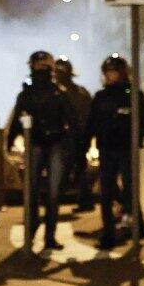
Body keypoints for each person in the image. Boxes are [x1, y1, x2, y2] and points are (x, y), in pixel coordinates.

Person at [83, 55, 144, 249]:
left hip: (127, 149)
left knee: (130, 189)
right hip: (107, 150)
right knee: (106, 192)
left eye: (115, 71)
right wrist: (82, 150)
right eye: (109, 72)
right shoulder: (101, 97)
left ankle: (138, 226)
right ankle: (108, 233)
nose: (112, 75)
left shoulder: (133, 95)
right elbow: (91, 125)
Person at [6, 51, 76, 251]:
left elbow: (72, 121)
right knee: (32, 191)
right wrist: (10, 142)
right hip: (35, 144)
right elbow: (17, 120)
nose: (40, 70)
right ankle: (33, 230)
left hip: (55, 143)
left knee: (53, 193)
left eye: (42, 67)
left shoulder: (58, 93)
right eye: (37, 66)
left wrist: (75, 148)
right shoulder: (27, 94)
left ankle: (49, 236)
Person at [54, 57, 94, 212]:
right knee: (78, 168)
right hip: (76, 136)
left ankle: (55, 203)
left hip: (71, 138)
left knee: (67, 170)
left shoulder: (64, 93)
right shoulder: (78, 91)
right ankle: (84, 200)